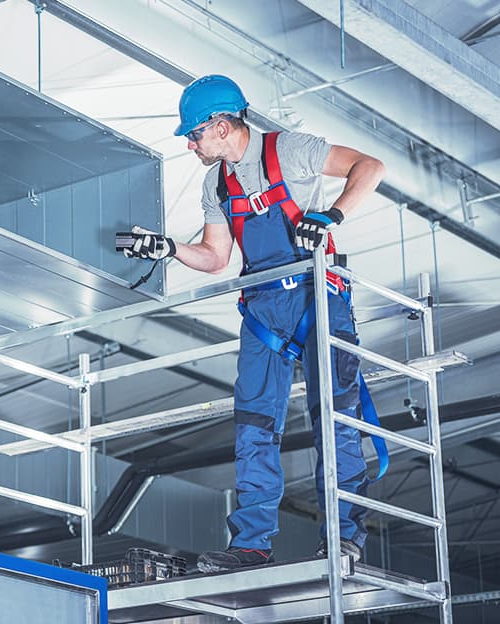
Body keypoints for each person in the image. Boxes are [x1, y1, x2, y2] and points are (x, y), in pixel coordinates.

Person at [122, 75, 386, 573]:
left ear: (220, 126)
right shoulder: (215, 182)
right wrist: (168, 249)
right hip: (263, 310)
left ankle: (344, 537)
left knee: (334, 419)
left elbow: (370, 167)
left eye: (193, 134)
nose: (188, 143)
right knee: (253, 427)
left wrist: (332, 216)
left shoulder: (289, 150)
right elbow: (217, 255)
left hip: (317, 297)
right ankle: (251, 544)